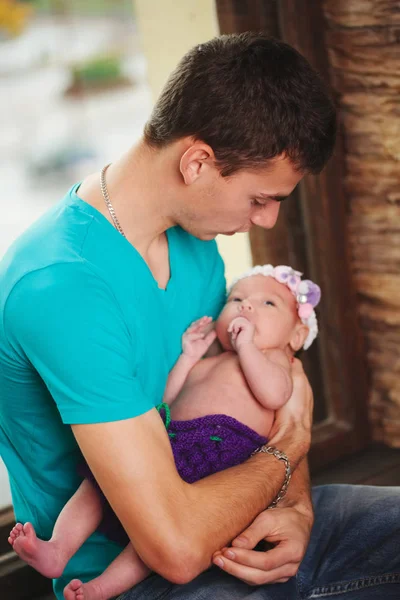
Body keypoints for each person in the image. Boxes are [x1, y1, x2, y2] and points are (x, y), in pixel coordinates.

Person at [0, 32, 399, 600]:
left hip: (245, 514)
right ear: (197, 162)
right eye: (259, 199)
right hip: (137, 574)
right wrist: (290, 446)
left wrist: (298, 506)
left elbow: (261, 373)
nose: (264, 222)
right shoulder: (61, 286)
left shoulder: (196, 247)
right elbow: (177, 550)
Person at [8, 264, 322, 600]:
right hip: (170, 436)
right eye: (237, 298)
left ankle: (102, 587)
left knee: (166, 533)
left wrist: (247, 349)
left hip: (220, 451)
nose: (245, 306)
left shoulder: (276, 360)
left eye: (267, 304)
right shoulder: (211, 359)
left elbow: (274, 395)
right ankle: (57, 548)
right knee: (98, 484)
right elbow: (169, 399)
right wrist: (188, 359)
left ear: (297, 336)